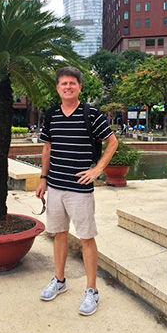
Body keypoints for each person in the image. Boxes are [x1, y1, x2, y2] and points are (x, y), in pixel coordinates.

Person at [36, 67, 118, 316]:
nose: (68, 87)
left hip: (80, 189)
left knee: (86, 238)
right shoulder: (51, 114)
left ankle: (92, 290)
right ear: (58, 88)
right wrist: (42, 179)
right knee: (59, 234)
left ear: (79, 87)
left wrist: (98, 169)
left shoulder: (91, 113)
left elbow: (112, 142)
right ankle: (59, 281)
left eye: (72, 83)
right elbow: (47, 149)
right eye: (63, 83)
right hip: (55, 187)